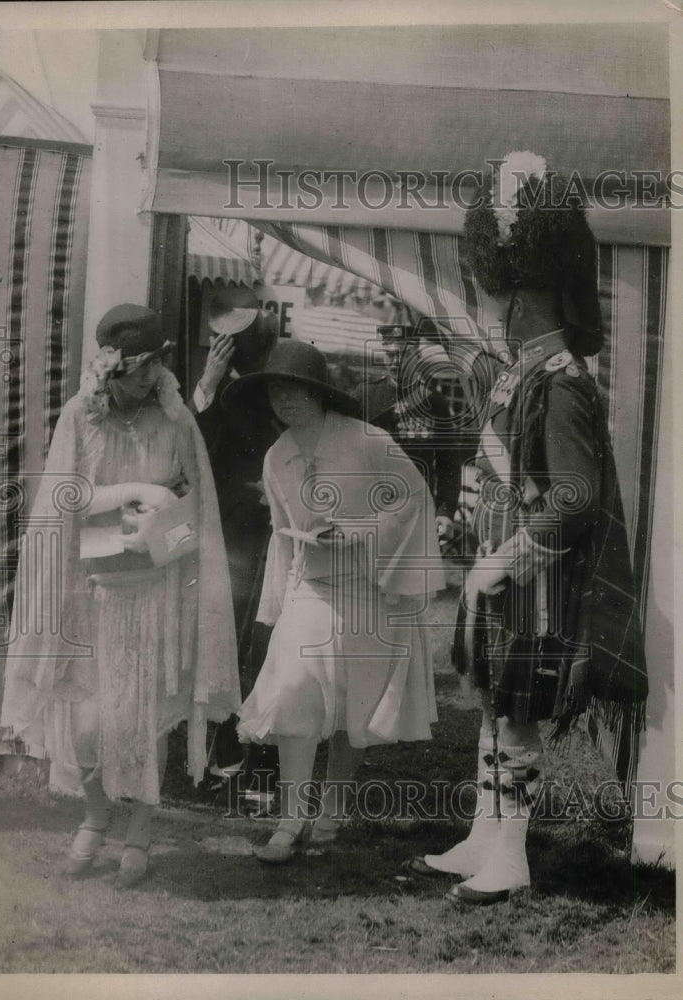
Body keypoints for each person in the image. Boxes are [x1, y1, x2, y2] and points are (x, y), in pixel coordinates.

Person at [407, 151, 648, 904]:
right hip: (507, 571)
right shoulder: (523, 373)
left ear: (523, 298)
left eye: (496, 290)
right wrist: (473, 528)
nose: (487, 301)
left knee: (516, 717)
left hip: (534, 581)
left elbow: (575, 496)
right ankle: (485, 833)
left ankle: (512, 853)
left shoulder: (563, 381)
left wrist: (505, 559)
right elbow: (505, 466)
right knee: (492, 703)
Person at [0, 304, 240, 888]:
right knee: (85, 719)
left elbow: (199, 507)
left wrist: (167, 527)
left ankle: (139, 831)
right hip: (92, 590)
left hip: (156, 589)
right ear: (114, 368)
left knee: (144, 717)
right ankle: (94, 815)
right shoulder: (80, 416)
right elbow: (63, 497)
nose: (151, 375)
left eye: (157, 363)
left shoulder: (175, 418)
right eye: (141, 366)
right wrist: (130, 490)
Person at [223, 340, 446, 863]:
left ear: (320, 394)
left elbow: (413, 499)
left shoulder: (368, 441)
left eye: (297, 390)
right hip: (312, 589)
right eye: (278, 391)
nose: (287, 401)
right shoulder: (278, 458)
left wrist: (361, 531)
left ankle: (333, 808)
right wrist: (276, 607)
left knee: (354, 704)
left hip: (368, 592)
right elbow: (282, 535)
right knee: (295, 692)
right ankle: (290, 817)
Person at [190, 285, 281, 805]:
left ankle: (259, 760)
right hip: (233, 538)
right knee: (230, 644)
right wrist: (206, 384)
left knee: (266, 646)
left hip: (276, 535)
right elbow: (193, 455)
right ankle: (225, 757)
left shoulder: (276, 384)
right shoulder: (215, 393)